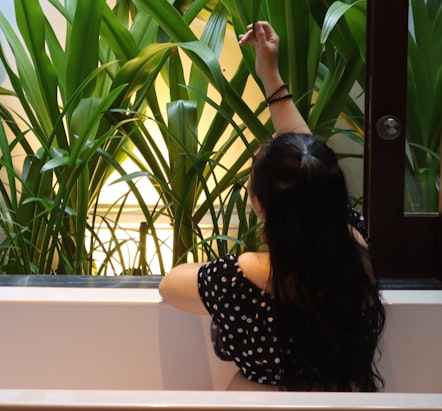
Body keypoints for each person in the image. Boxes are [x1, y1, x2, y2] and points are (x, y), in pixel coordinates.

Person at [158, 21, 385, 392]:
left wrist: (226, 265)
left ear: (260, 207)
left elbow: (169, 285)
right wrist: (270, 73)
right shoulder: (356, 245)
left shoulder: (244, 278)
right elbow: (308, 159)